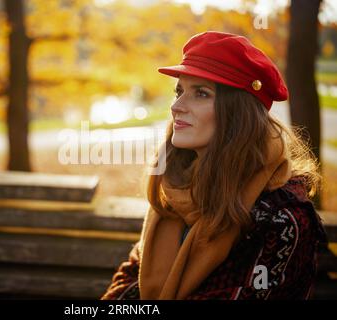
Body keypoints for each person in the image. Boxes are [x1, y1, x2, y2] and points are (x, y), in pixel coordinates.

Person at [100, 31, 328, 300]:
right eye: (179, 91)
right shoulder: (175, 190)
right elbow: (128, 283)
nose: (177, 106)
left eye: (201, 93)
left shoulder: (282, 218)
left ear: (238, 114)